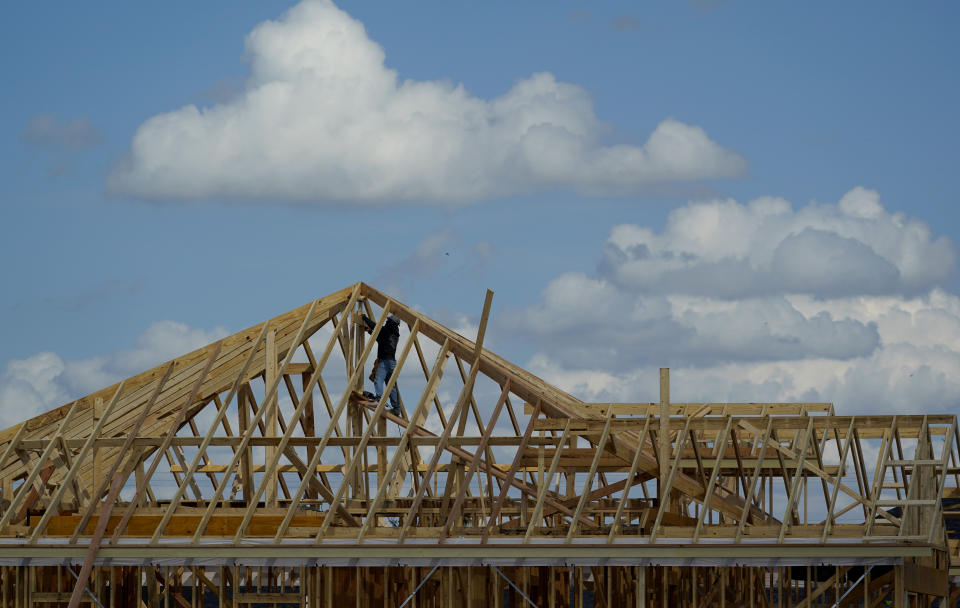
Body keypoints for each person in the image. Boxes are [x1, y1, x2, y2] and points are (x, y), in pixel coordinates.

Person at [362, 313, 402, 416]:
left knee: (378, 380)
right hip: (392, 362)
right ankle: (396, 408)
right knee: (391, 386)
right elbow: (381, 339)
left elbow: (376, 326)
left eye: (388, 320)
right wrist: (370, 331)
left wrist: (364, 317)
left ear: (390, 322)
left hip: (385, 361)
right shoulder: (394, 334)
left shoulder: (386, 330)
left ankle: (378, 400)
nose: (386, 321)